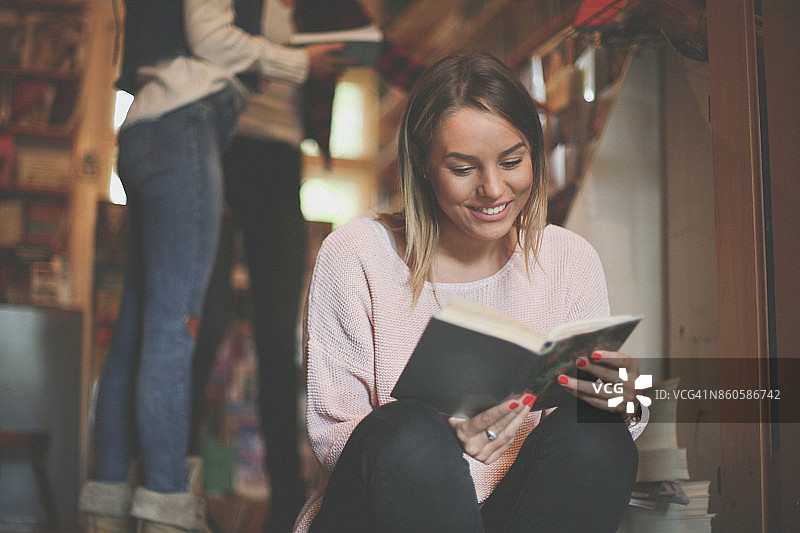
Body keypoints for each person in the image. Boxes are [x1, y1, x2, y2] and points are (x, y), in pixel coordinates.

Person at [294, 51, 649, 533]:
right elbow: (335, 439)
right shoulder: (356, 255)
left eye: (512, 161)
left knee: (599, 431)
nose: (493, 188)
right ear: (420, 162)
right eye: (463, 168)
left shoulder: (568, 258)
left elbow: (602, 440)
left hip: (514, 514)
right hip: (387, 510)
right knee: (410, 430)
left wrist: (622, 394)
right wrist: (444, 440)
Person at [77, 1, 346, 532]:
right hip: (190, 119)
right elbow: (210, 35)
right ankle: (167, 506)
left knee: (137, 327)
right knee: (177, 328)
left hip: (149, 121)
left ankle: (106, 504)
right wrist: (298, 64)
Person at [187, 1, 426, 531]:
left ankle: (286, 496)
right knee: (205, 330)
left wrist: (475, 94)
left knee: (279, 338)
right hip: (217, 151)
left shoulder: (329, 6)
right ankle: (179, 483)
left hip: (279, 162)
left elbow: (393, 59)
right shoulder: (231, 6)